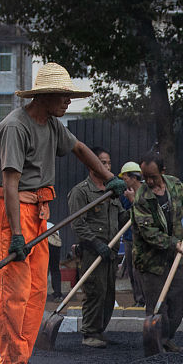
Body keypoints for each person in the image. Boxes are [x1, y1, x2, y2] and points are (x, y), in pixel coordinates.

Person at [0, 64, 124, 364]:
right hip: (11, 212)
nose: (68, 101)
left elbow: (80, 149)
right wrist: (17, 235)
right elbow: (11, 185)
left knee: (37, 290)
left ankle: (23, 358)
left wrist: (110, 178)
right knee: (14, 291)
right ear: (44, 96)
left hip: (36, 213)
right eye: (63, 95)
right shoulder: (16, 127)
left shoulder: (52, 125)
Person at [132, 155, 183, 352]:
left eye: (153, 176)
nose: (149, 181)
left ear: (162, 171)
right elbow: (149, 233)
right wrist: (173, 243)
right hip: (151, 260)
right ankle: (154, 344)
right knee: (156, 305)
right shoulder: (141, 198)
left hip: (174, 256)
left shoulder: (172, 184)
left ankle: (167, 337)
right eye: (145, 177)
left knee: (181, 291)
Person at [68, 147, 127, 347]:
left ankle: (100, 330)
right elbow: (78, 223)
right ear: (91, 164)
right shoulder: (81, 192)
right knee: (94, 291)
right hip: (93, 252)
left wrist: (136, 208)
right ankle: (89, 333)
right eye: (102, 162)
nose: (106, 166)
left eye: (108, 163)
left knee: (109, 293)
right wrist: (96, 243)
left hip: (110, 251)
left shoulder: (112, 192)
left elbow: (121, 218)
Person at [118, 160, 146, 306]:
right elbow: (122, 215)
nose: (124, 181)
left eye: (126, 178)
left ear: (134, 177)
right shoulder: (124, 195)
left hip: (144, 239)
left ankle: (147, 300)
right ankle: (139, 300)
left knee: (141, 270)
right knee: (132, 270)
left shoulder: (146, 192)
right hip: (129, 237)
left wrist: (133, 200)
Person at [45, 223, 64, 301]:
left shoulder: (42, 224)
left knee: (42, 270)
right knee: (55, 269)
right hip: (55, 243)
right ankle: (57, 294)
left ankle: (39, 295)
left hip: (44, 240)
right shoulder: (52, 225)